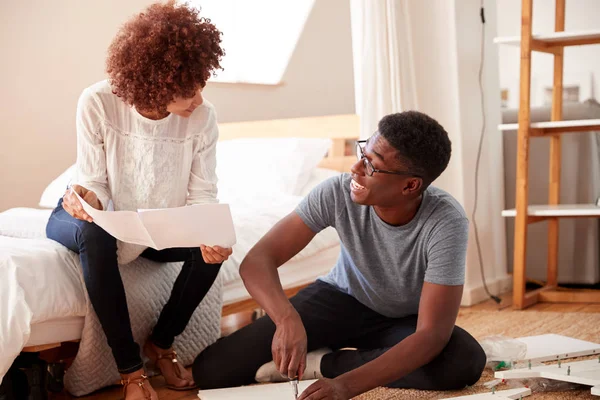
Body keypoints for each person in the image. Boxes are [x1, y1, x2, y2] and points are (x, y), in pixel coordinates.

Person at [192, 111, 487, 399]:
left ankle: (323, 363)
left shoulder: (446, 223)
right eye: (363, 152)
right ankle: (353, 355)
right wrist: (286, 319)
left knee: (463, 361)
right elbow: (258, 260)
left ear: (410, 186)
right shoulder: (336, 192)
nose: (355, 168)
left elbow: (431, 335)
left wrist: (345, 385)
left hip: (403, 321)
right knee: (212, 371)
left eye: (372, 165)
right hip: (339, 300)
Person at [45, 2, 229, 399]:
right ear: (156, 80)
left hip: (153, 225)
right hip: (94, 217)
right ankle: (130, 369)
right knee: (94, 235)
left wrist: (209, 233)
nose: (198, 99)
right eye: (188, 89)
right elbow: (94, 180)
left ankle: (161, 344)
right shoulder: (97, 101)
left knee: (215, 245)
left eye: (202, 84)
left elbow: (202, 195)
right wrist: (85, 200)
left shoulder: (204, 117)